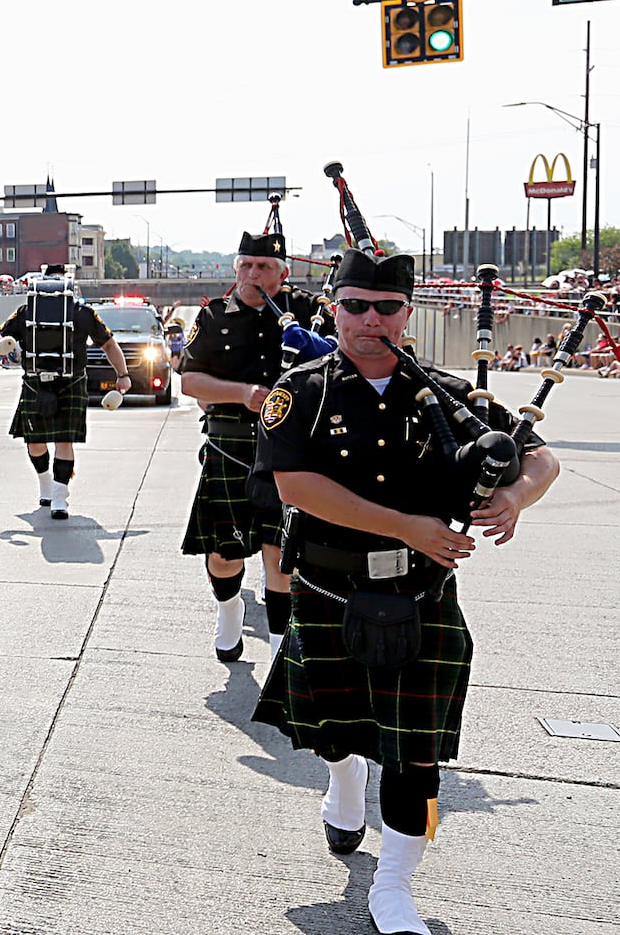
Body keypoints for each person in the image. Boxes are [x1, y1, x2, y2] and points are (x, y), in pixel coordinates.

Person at [249, 249, 559, 935]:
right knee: (335, 732)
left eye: (385, 307)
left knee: (415, 753)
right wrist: (408, 527)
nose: (369, 319)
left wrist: (514, 497)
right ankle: (342, 782)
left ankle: (392, 886)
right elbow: (295, 486)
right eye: (354, 304)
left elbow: (540, 455)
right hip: (330, 589)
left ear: (405, 312)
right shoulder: (301, 390)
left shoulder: (448, 394)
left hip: (422, 597)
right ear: (331, 306)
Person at [178, 230, 333, 662]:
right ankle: (230, 611)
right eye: (245, 265)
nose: (253, 274)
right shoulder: (213, 316)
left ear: (283, 273)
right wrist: (243, 393)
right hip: (230, 445)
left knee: (281, 554)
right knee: (223, 553)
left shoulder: (308, 314)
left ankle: (283, 649)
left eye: (264, 267)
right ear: (235, 268)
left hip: (291, 450)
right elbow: (189, 380)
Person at [0, 263, 129, 520]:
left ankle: (56, 493)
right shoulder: (82, 312)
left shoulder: (28, 310)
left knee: (40, 442)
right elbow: (109, 344)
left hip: (50, 382)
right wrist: (123, 376)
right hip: (58, 382)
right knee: (52, 442)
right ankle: (53, 492)